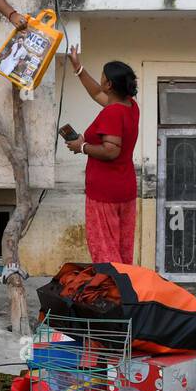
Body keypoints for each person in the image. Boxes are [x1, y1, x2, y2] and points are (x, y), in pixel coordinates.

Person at [64, 49, 140, 265]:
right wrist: (78, 68)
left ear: (110, 85)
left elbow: (111, 150)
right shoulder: (130, 107)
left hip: (104, 192)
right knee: (122, 249)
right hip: (125, 188)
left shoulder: (112, 112)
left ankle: (111, 292)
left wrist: (82, 146)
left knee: (105, 250)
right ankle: (125, 292)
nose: (100, 80)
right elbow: (97, 93)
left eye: (103, 77)